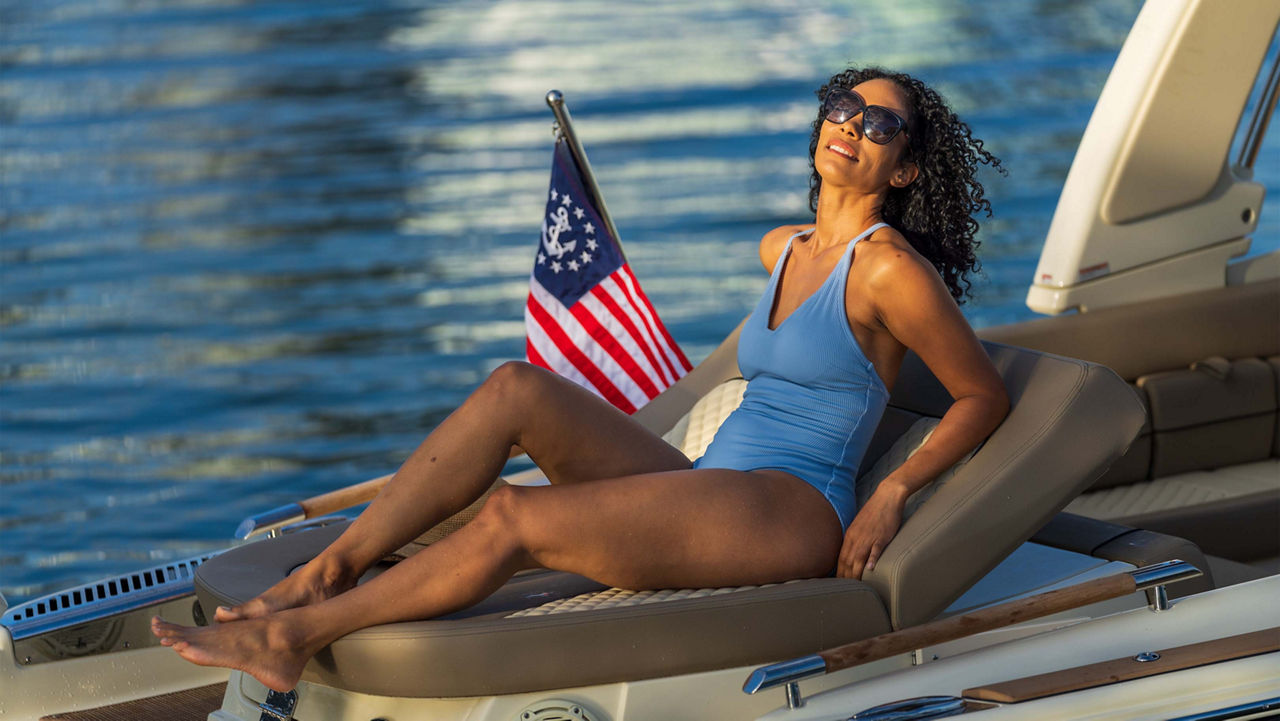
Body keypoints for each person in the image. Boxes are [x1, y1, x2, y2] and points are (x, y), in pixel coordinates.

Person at [151, 66, 1010, 693]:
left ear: (903, 171)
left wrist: (894, 487)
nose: (852, 125)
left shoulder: (889, 270)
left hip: (789, 505)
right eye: (843, 106)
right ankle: (327, 569)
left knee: (515, 515)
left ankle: (295, 635)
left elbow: (982, 394)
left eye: (880, 125)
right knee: (514, 388)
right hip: (712, 487)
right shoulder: (783, 246)